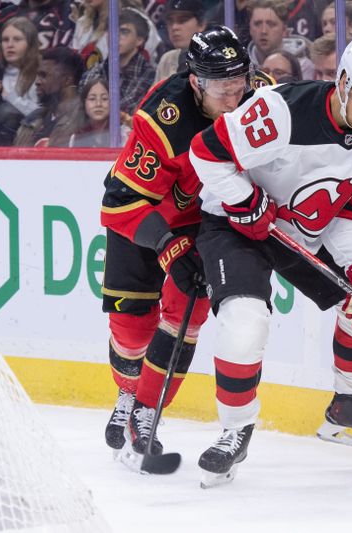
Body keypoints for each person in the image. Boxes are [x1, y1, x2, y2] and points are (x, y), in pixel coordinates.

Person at [187, 34, 352, 486]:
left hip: (296, 231)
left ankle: (349, 404)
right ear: (343, 82)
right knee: (246, 325)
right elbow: (206, 153)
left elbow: (350, 214)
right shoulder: (281, 111)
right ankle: (235, 430)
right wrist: (245, 200)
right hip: (234, 225)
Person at [100, 26, 263, 460]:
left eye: (239, 84)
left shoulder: (260, 98)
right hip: (144, 216)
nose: (235, 99)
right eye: (222, 89)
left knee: (187, 314)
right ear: (195, 82)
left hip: (200, 222)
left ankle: (146, 412)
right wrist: (167, 246)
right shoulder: (162, 119)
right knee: (131, 328)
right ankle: (127, 392)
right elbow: (119, 202)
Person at [80, 8, 156, 116]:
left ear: (139, 40)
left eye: (124, 32)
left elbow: (124, 113)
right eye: (111, 30)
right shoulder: (93, 72)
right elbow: (82, 112)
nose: (115, 36)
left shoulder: (150, 76)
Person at [13, 45, 84, 147]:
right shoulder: (33, 119)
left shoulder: (85, 120)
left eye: (43, 75)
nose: (37, 82)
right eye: (38, 75)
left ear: (67, 80)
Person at [248, 0, 314, 79]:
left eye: (271, 24)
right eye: (257, 24)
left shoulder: (303, 66)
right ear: (250, 28)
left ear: (284, 30)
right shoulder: (240, 65)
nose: (263, 31)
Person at [154, 0, 207, 83]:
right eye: (170, 21)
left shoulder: (216, 59)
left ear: (201, 24)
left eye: (182, 20)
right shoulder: (167, 59)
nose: (174, 27)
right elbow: (155, 91)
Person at [0, 17, 40, 116]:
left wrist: (9, 97)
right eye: (5, 40)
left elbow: (40, 114)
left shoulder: (40, 74)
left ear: (30, 43)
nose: (10, 45)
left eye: (17, 39)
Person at [69, 76, 124, 147]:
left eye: (104, 99)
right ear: (84, 103)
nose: (98, 104)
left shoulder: (123, 134)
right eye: (92, 99)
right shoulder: (75, 137)